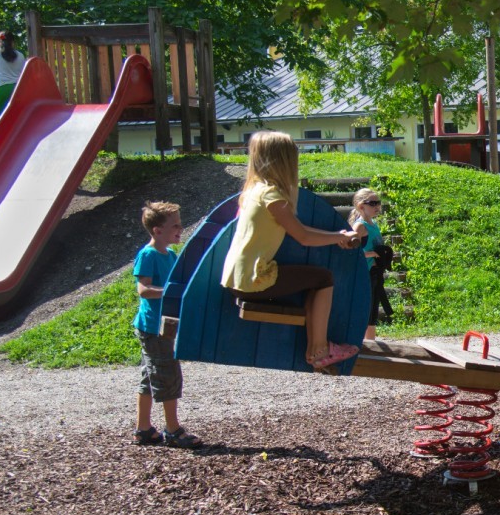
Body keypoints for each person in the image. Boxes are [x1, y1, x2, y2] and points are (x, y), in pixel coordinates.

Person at [221, 131, 360, 373]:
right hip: (253, 279)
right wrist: (340, 237)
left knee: (312, 282)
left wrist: (337, 237)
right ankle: (319, 351)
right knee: (323, 279)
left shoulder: (256, 190)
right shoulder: (272, 197)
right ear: (284, 160)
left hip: (237, 276)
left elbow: (299, 229)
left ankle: (316, 349)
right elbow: (303, 236)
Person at [132, 201, 202, 448]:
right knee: (168, 375)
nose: (180, 228)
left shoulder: (170, 255)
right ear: (157, 230)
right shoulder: (148, 254)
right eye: (175, 225)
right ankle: (173, 430)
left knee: (150, 376)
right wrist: (170, 293)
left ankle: (143, 429)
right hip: (153, 327)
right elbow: (143, 289)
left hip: (165, 325)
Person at [349, 188, 393, 340]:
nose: (377, 207)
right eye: (373, 203)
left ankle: (371, 346)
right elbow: (349, 252)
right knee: (364, 311)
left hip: (374, 274)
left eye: (378, 203)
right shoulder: (360, 226)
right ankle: (360, 345)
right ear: (361, 207)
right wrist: (372, 254)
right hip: (364, 274)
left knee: (373, 312)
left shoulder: (373, 224)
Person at [0, 31, 27, 122]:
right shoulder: (20, 55)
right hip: (17, 89)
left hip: (1, 88)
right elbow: (24, 74)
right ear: (13, 42)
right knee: (18, 119)